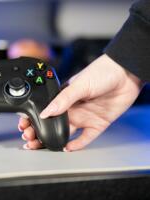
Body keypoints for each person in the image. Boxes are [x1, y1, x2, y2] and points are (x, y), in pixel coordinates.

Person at [13, 0, 150, 152]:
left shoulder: (77, 49)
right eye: (17, 57)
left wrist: (123, 69)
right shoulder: (58, 76)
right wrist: (125, 72)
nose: (24, 51)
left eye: (31, 44)